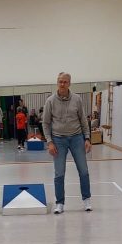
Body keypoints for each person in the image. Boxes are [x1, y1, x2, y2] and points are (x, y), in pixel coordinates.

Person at [42, 72, 92, 214]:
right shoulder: (50, 101)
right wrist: (50, 142)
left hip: (77, 138)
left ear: (69, 83)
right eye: (60, 81)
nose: (62, 84)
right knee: (59, 173)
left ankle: (87, 200)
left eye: (65, 82)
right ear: (57, 83)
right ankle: (60, 203)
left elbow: (83, 120)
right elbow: (45, 123)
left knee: (83, 171)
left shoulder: (77, 99)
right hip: (58, 140)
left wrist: (87, 138)